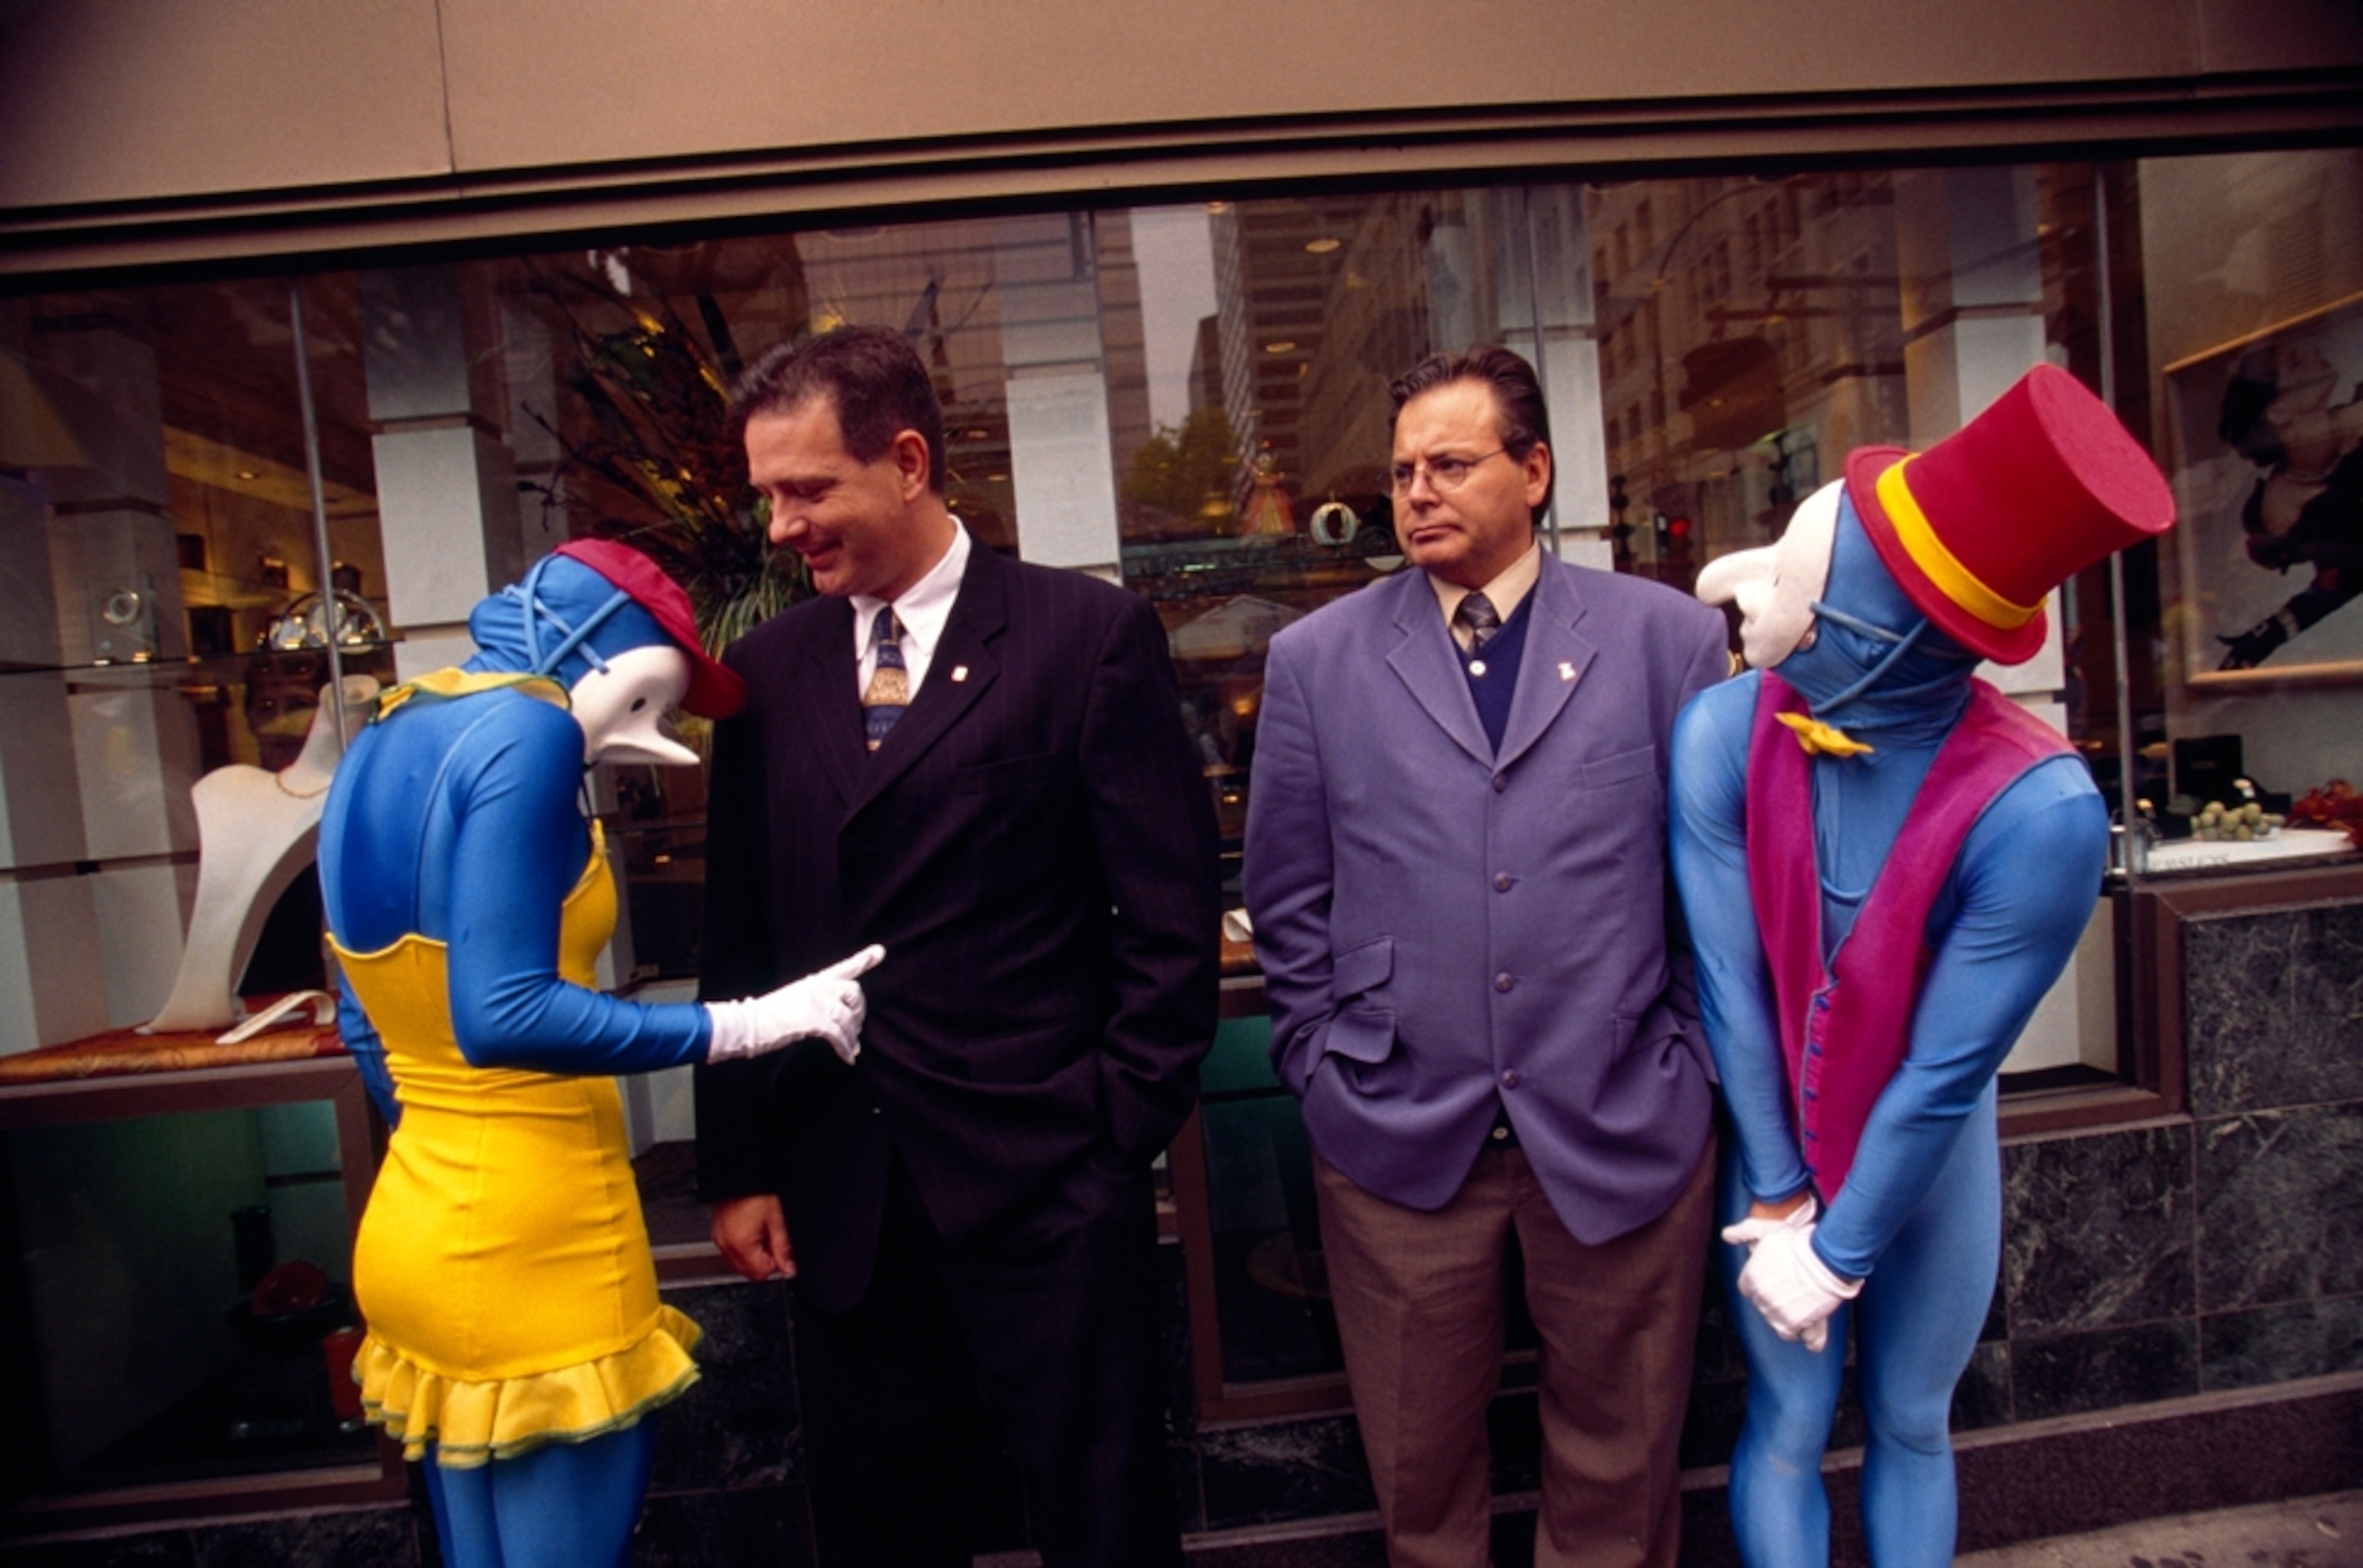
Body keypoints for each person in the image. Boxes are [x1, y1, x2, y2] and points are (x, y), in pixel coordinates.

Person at [693, 324, 1221, 1568]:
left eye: (807, 489)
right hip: (843, 1192)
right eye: (768, 493)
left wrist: (1110, 1131)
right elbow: (739, 933)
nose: (780, 526)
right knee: (882, 1525)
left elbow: (1168, 917)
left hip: (1045, 1181)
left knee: (1102, 1521)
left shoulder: (1082, 637)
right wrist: (737, 1160)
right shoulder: (761, 673)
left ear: (910, 459)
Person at [1668, 363, 2173, 1567]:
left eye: (1792, 580)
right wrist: (1783, 1191)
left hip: (1934, 1157)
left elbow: (1949, 1063)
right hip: (1774, 1128)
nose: (1742, 594)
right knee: (1785, 1412)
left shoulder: (2039, 808)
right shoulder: (1725, 733)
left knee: (1909, 1416)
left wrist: (1837, 1253)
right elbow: (1732, 980)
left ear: (1873, 637)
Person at [1243, 344, 1730, 1568]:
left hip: (1622, 1116)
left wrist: (1689, 1054)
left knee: (1622, 1473)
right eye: (1404, 469)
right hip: (1399, 1130)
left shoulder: (1666, 639)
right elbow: (1287, 891)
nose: (1417, 490)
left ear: (1535, 470)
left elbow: (1716, 889)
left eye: (1451, 464)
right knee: (1419, 1478)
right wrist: (1317, 1055)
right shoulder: (1317, 661)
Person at [319, 539, 882, 1568]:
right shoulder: (530, 732)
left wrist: (454, 1157)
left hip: (419, 1218)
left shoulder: (387, 734)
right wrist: (754, 1019)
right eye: (664, 686)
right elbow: (504, 1012)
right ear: (604, 647)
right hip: (540, 1236)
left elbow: (363, 1021)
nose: (662, 728)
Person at [2211, 338, 2363, 670]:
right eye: (2296, 361)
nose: (2314, 349)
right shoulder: (2284, 510)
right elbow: (2343, 577)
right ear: (2280, 413)